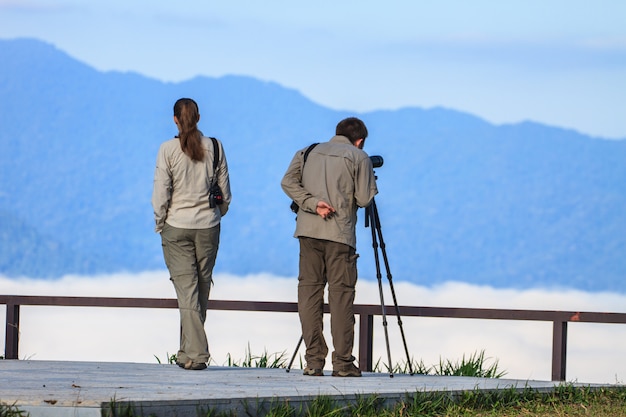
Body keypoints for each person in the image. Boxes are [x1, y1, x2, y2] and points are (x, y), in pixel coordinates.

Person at [281, 117, 378, 377]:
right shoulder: (359, 157)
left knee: (309, 295)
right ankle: (343, 363)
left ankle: (313, 361)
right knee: (341, 297)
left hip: (308, 233)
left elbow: (288, 183)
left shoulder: (308, 151)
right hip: (340, 236)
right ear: (359, 141)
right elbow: (364, 198)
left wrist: (312, 203)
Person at [152, 98, 231, 370]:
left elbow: (161, 191)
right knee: (201, 287)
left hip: (176, 226)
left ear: (175, 119)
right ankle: (186, 352)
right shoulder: (216, 147)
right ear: (198, 117)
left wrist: (160, 221)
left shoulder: (167, 149)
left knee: (187, 290)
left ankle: (196, 354)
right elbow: (225, 193)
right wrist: (216, 213)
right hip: (208, 226)